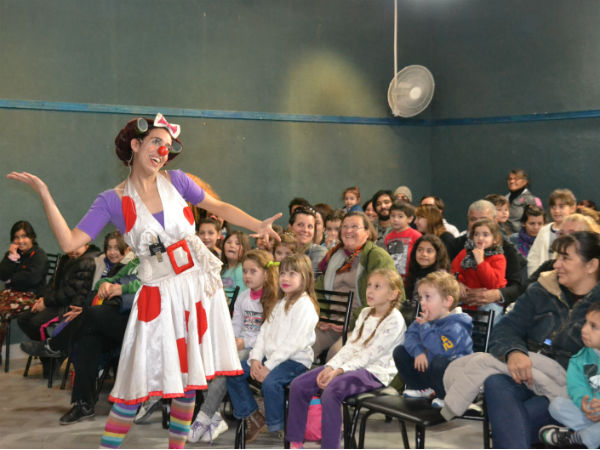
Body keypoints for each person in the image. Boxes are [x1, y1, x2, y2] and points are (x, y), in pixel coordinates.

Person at [7, 113, 280, 449]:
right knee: (132, 389)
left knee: (187, 384)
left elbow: (218, 206)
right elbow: (69, 242)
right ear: (135, 145)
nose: (162, 151)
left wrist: (258, 225)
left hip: (195, 291)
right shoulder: (113, 200)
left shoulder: (178, 181)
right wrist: (45, 195)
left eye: (167, 146)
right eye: (156, 142)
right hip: (157, 299)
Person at [483, 232, 600, 448]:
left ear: (591, 265)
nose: (556, 265)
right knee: (495, 383)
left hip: (571, 388)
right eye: (557, 257)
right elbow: (505, 328)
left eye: (565, 258)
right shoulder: (541, 289)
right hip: (529, 372)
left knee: (515, 421)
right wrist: (514, 351)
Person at [286, 268, 406, 449]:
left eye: (377, 287)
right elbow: (351, 346)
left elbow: (369, 354)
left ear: (393, 294)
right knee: (299, 385)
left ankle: (330, 446)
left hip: (374, 372)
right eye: (369, 285)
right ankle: (295, 442)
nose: (370, 291)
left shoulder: (394, 320)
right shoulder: (365, 313)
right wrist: (330, 367)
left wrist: (339, 371)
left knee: (332, 391)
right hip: (349, 367)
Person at [21, 257, 141, 425]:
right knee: (88, 338)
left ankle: (55, 346)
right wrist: (105, 284)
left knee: (90, 314)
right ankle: (83, 404)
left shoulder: (159, 260)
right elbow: (108, 280)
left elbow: (153, 286)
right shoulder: (136, 261)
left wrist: (122, 289)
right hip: (114, 315)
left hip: (140, 322)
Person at [226, 254, 319, 444]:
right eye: (283, 273)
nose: (285, 278)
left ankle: (278, 426)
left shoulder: (305, 306)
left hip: (295, 361)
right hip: (271, 359)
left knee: (270, 383)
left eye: (292, 274)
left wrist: (268, 367)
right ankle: (254, 416)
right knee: (234, 372)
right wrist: (255, 360)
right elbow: (263, 333)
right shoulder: (280, 303)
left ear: (305, 278)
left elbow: (293, 344)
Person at [188, 250, 279, 444]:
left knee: (228, 368)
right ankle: (214, 416)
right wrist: (230, 342)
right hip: (241, 344)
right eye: (245, 271)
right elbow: (236, 324)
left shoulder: (274, 299)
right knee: (211, 362)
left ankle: (205, 416)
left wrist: (244, 343)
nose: (247, 276)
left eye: (253, 271)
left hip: (262, 350)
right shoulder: (244, 296)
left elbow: (270, 335)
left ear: (266, 273)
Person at [314, 211, 398, 361]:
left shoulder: (376, 256)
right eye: (345, 226)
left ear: (367, 232)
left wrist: (352, 323)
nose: (348, 231)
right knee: (302, 345)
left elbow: (389, 297)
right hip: (331, 322)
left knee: (336, 354)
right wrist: (323, 316)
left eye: (354, 227)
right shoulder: (333, 255)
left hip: (363, 324)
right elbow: (318, 291)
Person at [394, 271, 472, 407]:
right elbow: (409, 337)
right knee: (400, 351)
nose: (422, 303)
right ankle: (421, 388)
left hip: (454, 379)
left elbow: (442, 350)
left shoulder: (458, 324)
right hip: (432, 373)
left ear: (447, 301)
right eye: (421, 298)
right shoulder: (426, 319)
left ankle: (447, 396)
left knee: (440, 361)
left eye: (428, 297)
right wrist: (418, 352)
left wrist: (425, 328)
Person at [540, 302, 600, 448]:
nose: (584, 329)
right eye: (586, 322)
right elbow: (577, 388)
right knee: (557, 406)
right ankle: (591, 436)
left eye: (593, 326)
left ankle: (579, 439)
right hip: (593, 415)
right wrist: (586, 405)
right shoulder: (579, 360)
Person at [449, 199, 525, 311]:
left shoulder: (506, 249)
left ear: (495, 221)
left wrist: (497, 294)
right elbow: (445, 272)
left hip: (491, 304)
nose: (478, 224)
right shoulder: (457, 245)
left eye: (484, 219)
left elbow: (517, 287)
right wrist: (455, 285)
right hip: (460, 303)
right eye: (473, 219)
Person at [17, 243, 99, 344]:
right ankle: (46, 349)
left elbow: (70, 292)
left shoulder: (87, 261)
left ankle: (48, 349)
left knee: (35, 323)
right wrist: (43, 299)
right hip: (56, 301)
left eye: (76, 245)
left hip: (68, 306)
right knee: (23, 319)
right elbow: (53, 283)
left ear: (87, 244)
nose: (72, 250)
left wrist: (46, 303)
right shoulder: (66, 259)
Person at [0, 220, 48, 350]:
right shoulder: (13, 253)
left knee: (1, 311)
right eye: (16, 237)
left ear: (32, 237)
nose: (20, 241)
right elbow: (2, 275)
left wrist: (10, 279)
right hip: (11, 295)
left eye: (24, 236)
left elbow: (31, 279)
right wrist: (11, 258)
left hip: (32, 296)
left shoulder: (39, 256)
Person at [451, 218, 507, 322]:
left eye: (485, 235)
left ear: (495, 239)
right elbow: (453, 271)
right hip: (466, 300)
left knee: (489, 312)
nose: (480, 238)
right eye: (476, 234)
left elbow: (493, 284)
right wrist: (457, 283)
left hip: (488, 302)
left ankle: (485, 333)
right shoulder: (465, 253)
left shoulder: (499, 258)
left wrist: (481, 262)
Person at [528, 188, 577, 276]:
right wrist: (535, 276)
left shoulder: (576, 231)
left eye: (561, 207)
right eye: (553, 207)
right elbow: (534, 257)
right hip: (543, 277)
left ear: (572, 208)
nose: (556, 211)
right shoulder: (544, 230)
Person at [403, 235, 451, 323]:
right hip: (413, 317)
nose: (424, 254)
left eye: (429, 251)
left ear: (438, 254)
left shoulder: (440, 277)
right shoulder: (415, 271)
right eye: (420, 250)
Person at [384, 201, 422, 279]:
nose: (395, 219)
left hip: (410, 278)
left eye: (400, 216)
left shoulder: (416, 235)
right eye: (392, 216)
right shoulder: (388, 237)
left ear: (410, 219)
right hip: (392, 278)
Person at [287, 206, 327, 277]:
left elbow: (310, 279)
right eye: (300, 225)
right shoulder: (282, 249)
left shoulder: (319, 252)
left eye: (310, 226)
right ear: (290, 227)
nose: (305, 230)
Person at [505, 169, 542, 233]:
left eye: (516, 179)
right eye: (510, 179)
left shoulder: (533, 200)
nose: (511, 181)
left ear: (525, 181)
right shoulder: (504, 199)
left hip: (521, 237)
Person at [221, 230, 250, 300]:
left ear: (245, 249)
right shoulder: (222, 268)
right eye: (228, 242)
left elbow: (241, 297)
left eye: (237, 243)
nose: (232, 245)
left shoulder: (241, 269)